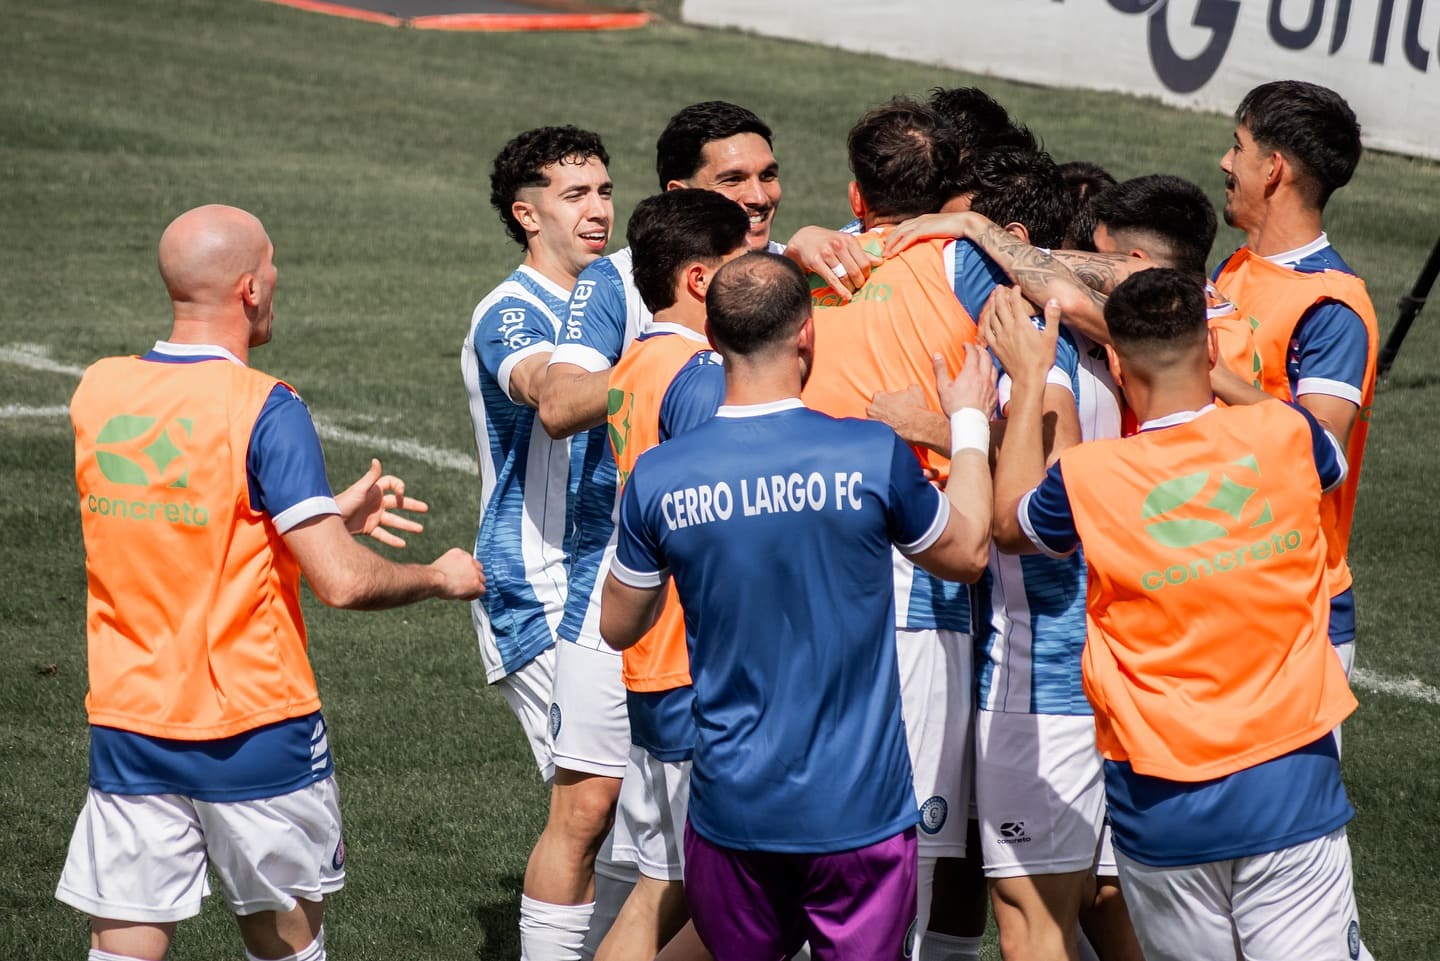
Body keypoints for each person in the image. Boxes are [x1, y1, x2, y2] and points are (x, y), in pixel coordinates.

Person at [57, 204, 486, 961]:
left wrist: (311, 520)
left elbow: (179, 520)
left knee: (121, 947)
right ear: (250, 289)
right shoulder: (265, 406)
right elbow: (344, 584)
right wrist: (440, 576)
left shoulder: (99, 391)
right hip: (254, 727)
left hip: (130, 721)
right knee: (285, 947)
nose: (279, 278)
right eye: (274, 265)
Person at [524, 102, 876, 960]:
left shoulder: (664, 347)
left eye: (767, 175)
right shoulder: (666, 344)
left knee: (681, 883)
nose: (760, 198)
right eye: (735, 182)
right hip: (683, 649)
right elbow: (577, 407)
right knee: (693, 887)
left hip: (661, 645)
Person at [600, 251, 996, 961]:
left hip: (732, 807)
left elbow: (617, 622)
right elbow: (966, 553)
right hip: (860, 810)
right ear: (807, 334)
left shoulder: (662, 477)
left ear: (713, 340)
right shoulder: (870, 453)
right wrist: (967, 424)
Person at [988, 268, 1365, 961]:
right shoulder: (1287, 437)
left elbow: (1009, 524)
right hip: (1291, 785)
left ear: (1119, 366)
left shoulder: (1088, 479)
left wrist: (1032, 376)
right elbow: (1331, 454)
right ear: (1211, 354)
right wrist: (1217, 378)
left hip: (1161, 809)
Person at [799, 96, 1020, 961]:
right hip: (922, 571)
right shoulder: (964, 263)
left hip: (810, 572)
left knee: (832, 821)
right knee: (916, 841)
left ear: (857, 194)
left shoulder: (806, 271)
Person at [460, 125, 620, 961]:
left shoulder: (622, 291)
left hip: (621, 580)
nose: (597, 209)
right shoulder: (510, 312)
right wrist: (656, 364)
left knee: (642, 815)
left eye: (602, 190)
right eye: (573, 194)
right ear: (528, 215)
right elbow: (540, 387)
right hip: (541, 585)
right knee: (596, 805)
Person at [596, 188, 749, 960]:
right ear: (699, 279)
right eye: (740, 265)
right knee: (737, 899)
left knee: (666, 885)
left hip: (655, 663)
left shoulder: (634, 365)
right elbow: (716, 518)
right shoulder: (699, 377)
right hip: (701, 667)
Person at [1210, 80, 1380, 681]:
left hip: (1294, 611)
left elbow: (1325, 455)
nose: (1225, 162)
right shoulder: (1234, 266)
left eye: (1238, 147)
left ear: (1273, 168)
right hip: (1218, 581)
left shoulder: (1331, 307)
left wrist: (1205, 374)